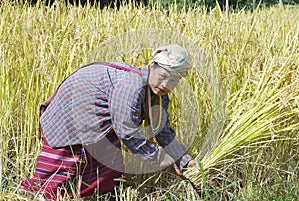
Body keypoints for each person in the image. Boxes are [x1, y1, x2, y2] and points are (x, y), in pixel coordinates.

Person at [21, 44, 199, 200]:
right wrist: (159, 157)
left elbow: (162, 129)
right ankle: (30, 196)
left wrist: (183, 160)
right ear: (152, 65)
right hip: (73, 116)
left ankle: (105, 195)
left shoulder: (159, 95)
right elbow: (126, 131)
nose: (165, 84)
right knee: (62, 172)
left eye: (173, 80)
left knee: (108, 168)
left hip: (101, 123)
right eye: (162, 76)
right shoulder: (131, 86)